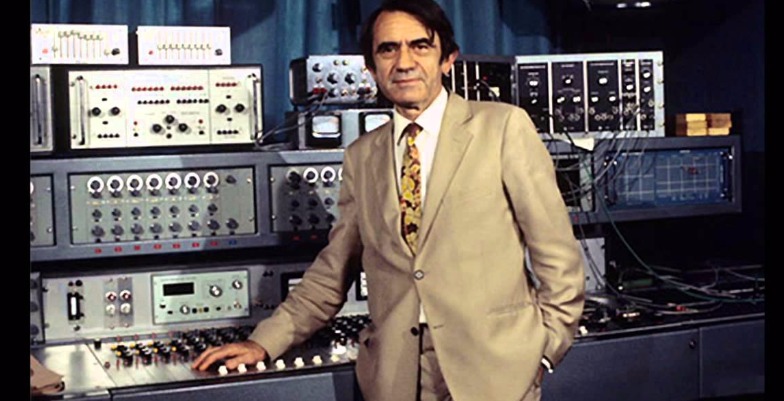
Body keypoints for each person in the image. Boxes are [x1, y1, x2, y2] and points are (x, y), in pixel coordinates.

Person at [193, 0, 585, 400]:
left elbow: (558, 257)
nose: (404, 62)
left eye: (420, 46)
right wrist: (264, 343)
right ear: (371, 67)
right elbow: (333, 271)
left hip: (497, 373)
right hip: (398, 376)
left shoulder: (502, 128)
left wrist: (543, 352)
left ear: (447, 59)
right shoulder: (362, 156)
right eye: (388, 49)